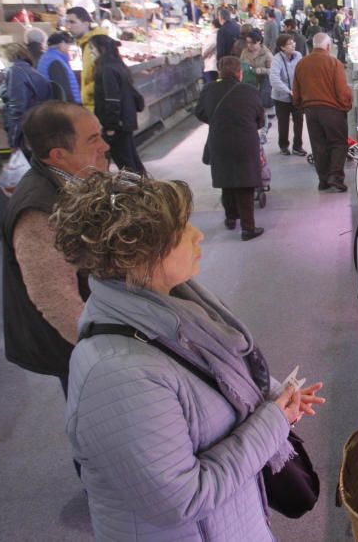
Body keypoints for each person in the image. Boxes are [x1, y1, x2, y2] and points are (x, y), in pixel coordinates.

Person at [51, 171, 324, 539]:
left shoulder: (175, 310)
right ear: (138, 257)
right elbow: (184, 499)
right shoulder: (116, 374)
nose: (198, 236)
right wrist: (271, 422)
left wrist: (273, 400)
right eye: (182, 230)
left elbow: (215, 380)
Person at [3, 102, 109, 400]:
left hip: (102, 319)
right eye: (93, 139)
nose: (105, 145)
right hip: (79, 347)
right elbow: (54, 297)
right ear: (58, 155)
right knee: (102, 421)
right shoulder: (38, 210)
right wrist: (104, 353)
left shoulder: (76, 178)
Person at [196, 56, 266, 240]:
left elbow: (200, 113)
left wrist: (217, 122)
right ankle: (248, 228)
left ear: (219, 72)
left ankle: (230, 218)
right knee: (246, 183)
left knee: (226, 181)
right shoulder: (250, 91)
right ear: (239, 73)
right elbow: (260, 119)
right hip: (245, 141)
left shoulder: (208, 89)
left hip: (219, 140)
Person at [293, 32, 353, 192]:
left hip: (311, 111)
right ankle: (335, 176)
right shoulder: (334, 63)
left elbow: (296, 91)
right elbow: (342, 91)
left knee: (318, 145)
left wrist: (301, 106)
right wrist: (346, 105)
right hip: (332, 110)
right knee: (339, 143)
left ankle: (323, 180)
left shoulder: (301, 64)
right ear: (328, 46)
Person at [89, 35, 146, 175]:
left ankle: (138, 192)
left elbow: (112, 100)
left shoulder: (106, 69)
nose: (90, 53)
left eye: (92, 49)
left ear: (101, 49)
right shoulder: (117, 65)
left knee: (126, 163)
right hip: (125, 120)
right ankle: (146, 189)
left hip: (118, 124)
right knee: (131, 159)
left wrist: (110, 126)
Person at [0, 42, 53, 151]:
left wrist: (13, 141)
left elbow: (17, 108)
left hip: (25, 133)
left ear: (8, 56)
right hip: (37, 128)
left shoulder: (15, 71)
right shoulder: (29, 70)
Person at [64, 7, 108, 111]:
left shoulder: (96, 45)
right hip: (93, 107)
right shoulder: (86, 44)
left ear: (86, 23)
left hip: (99, 108)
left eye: (72, 22)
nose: (68, 26)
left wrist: (87, 93)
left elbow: (105, 78)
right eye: (67, 22)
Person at [270, 34, 307, 157]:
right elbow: (274, 79)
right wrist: (287, 90)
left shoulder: (298, 56)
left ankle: (298, 146)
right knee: (283, 123)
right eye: (290, 44)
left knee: (299, 120)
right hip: (281, 97)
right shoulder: (277, 59)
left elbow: (302, 73)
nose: (293, 45)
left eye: (293, 43)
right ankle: (284, 146)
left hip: (296, 96)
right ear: (282, 47)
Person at [38, 32, 81, 104]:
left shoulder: (47, 57)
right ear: (62, 44)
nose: (68, 47)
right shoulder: (55, 61)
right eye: (67, 44)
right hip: (64, 107)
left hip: (52, 104)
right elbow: (62, 89)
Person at [240, 29, 273, 109]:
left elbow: (272, 71)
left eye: (252, 43)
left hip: (262, 83)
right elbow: (240, 64)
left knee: (260, 104)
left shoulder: (267, 54)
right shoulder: (244, 52)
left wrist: (260, 70)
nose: (249, 45)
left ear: (259, 41)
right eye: (248, 42)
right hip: (248, 82)